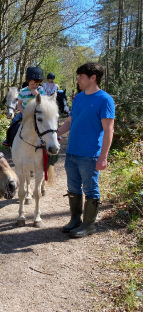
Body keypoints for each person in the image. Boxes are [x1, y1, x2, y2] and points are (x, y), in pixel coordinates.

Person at [57, 63, 115, 238]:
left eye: (81, 76)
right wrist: (54, 134)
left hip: (90, 155)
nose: (78, 80)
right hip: (72, 152)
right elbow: (70, 121)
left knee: (90, 189)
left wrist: (103, 157)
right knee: (73, 187)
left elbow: (108, 130)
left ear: (93, 78)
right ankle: (75, 220)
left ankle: (89, 225)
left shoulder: (105, 100)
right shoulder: (79, 97)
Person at [2, 66, 45, 146]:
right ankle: (8, 139)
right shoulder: (23, 91)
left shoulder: (40, 90)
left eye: (37, 84)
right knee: (14, 122)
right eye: (32, 84)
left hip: (38, 112)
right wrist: (23, 112)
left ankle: (52, 137)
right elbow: (19, 104)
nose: (35, 86)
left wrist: (36, 94)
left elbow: (42, 101)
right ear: (28, 82)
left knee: (47, 122)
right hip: (24, 112)